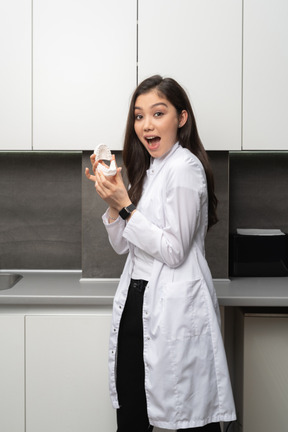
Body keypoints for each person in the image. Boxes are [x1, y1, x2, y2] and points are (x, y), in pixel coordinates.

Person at [85, 75, 236, 432]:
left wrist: (125, 207)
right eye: (139, 116)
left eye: (158, 113)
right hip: (137, 305)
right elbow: (124, 244)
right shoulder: (149, 170)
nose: (146, 125)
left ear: (181, 119)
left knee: (188, 418)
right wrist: (113, 202)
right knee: (133, 411)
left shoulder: (184, 168)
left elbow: (173, 250)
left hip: (173, 306)